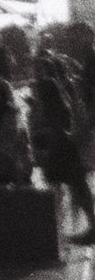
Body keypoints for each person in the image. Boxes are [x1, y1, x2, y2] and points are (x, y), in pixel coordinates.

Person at [29, 56, 95, 242]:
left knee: (75, 190)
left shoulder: (57, 106)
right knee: (77, 189)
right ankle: (80, 228)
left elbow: (64, 128)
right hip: (66, 150)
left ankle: (63, 232)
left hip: (65, 151)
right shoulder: (59, 103)